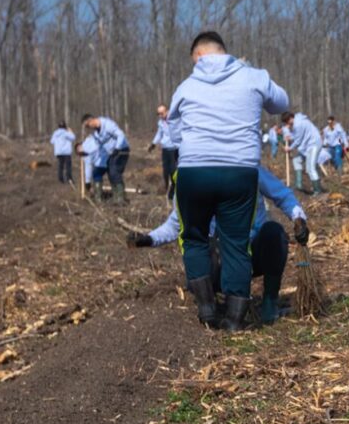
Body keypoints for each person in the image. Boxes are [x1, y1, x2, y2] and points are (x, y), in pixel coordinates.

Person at [166, 30, 291, 330]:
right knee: (236, 241)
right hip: (239, 170)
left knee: (194, 237)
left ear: (199, 55)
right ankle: (235, 320)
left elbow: (174, 133)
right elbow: (281, 103)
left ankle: (207, 309)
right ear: (224, 50)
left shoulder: (186, 87)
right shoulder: (254, 77)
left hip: (194, 170)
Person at [131, 165, 310, 325]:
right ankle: (210, 303)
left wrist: (298, 218)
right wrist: (149, 239)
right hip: (217, 259)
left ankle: (269, 302)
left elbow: (282, 194)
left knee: (274, 233)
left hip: (250, 252)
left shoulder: (249, 168)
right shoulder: (193, 177)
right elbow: (177, 223)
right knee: (204, 246)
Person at [83, 113, 131, 204]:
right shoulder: (96, 134)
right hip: (112, 153)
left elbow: (120, 134)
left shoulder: (107, 124)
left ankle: (121, 198)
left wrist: (117, 148)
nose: (88, 128)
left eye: (87, 125)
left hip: (121, 149)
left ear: (91, 121)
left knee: (114, 171)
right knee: (110, 172)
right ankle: (116, 197)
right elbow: (99, 147)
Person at [282, 110, 325, 195]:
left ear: (290, 118)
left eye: (287, 122)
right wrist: (289, 137)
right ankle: (299, 185)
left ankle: (317, 190)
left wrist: (289, 148)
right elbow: (297, 136)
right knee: (296, 160)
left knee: (310, 168)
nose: (287, 124)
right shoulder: (297, 121)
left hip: (313, 144)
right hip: (306, 146)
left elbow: (298, 140)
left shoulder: (298, 124)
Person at [149, 105, 180, 199]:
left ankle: (174, 189)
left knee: (173, 170)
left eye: (161, 113)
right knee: (166, 170)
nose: (160, 116)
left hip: (174, 148)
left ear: (167, 111)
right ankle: (166, 187)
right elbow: (159, 134)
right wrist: (153, 144)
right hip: (165, 148)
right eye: (158, 114)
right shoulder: (161, 123)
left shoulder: (175, 120)